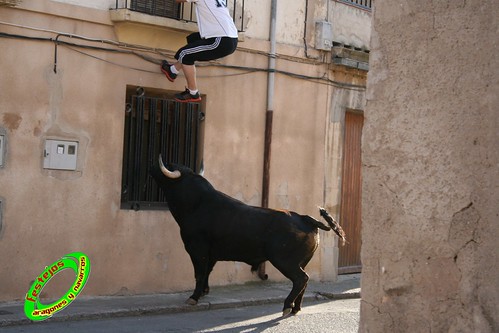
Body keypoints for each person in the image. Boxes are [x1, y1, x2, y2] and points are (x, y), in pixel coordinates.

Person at [161, 0, 239, 103]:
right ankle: (173, 70)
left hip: (221, 40)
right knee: (193, 40)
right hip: (229, 38)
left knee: (185, 54)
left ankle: (193, 93)